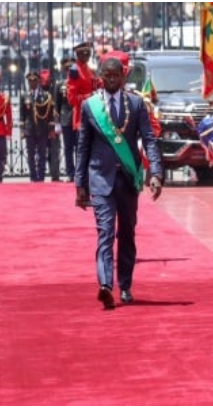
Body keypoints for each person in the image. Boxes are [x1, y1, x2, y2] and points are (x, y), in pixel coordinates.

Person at [74, 56, 163, 310]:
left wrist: (155, 173)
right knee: (105, 232)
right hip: (100, 179)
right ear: (101, 78)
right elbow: (83, 148)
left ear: (123, 76)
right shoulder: (91, 106)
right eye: (107, 75)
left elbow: (149, 140)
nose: (111, 79)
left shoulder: (136, 104)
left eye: (116, 75)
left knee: (127, 233)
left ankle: (125, 285)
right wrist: (80, 185)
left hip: (127, 179)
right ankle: (105, 285)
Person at [20, 71, 54, 182]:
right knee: (30, 155)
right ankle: (33, 177)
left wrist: (51, 129)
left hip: (42, 129)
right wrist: (22, 130)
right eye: (30, 81)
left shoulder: (45, 95)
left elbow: (50, 115)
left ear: (38, 81)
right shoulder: (24, 95)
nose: (32, 83)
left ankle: (41, 177)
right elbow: (22, 115)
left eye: (34, 80)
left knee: (42, 155)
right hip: (30, 129)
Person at [55, 57, 77, 182]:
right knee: (68, 148)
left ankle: (80, 173)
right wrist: (57, 122)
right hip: (65, 119)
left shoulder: (79, 82)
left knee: (80, 148)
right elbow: (57, 105)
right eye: (67, 69)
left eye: (71, 68)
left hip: (78, 118)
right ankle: (70, 173)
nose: (69, 70)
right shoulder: (60, 84)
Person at [0, 70, 11, 182]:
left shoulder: (4, 98)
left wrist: (9, 132)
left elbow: (9, 117)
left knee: (2, 154)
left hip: (1, 129)